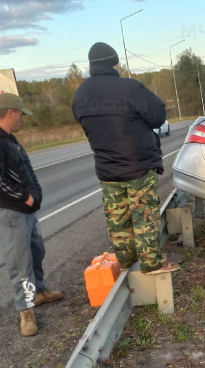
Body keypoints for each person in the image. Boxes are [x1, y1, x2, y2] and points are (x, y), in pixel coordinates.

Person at [72, 42, 179, 276]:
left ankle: (127, 262)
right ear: (115, 63)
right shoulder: (130, 88)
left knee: (118, 220)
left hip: (108, 170)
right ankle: (152, 263)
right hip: (138, 167)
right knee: (144, 218)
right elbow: (158, 116)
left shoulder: (81, 94)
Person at [0, 93, 63, 337]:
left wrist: (32, 199)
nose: (23, 119)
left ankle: (38, 292)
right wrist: (23, 197)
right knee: (20, 264)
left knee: (36, 252)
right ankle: (25, 310)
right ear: (10, 113)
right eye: (21, 114)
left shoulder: (8, 139)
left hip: (27, 213)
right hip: (12, 214)